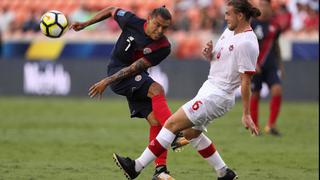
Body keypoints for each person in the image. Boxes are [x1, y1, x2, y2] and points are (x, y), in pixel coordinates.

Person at [113, 0, 260, 179]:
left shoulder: (247, 43)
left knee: (171, 124)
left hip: (218, 95)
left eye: (228, 13)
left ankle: (136, 166)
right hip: (210, 88)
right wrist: (210, 55)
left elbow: (246, 81)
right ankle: (224, 173)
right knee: (191, 134)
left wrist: (246, 114)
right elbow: (225, 61)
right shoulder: (230, 32)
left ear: (240, 15)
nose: (225, 17)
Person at [70, 6, 188, 180]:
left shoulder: (163, 46)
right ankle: (176, 134)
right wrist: (86, 23)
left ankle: (160, 170)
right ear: (149, 19)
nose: (160, 31)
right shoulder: (131, 21)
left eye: (165, 28)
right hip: (117, 72)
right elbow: (111, 10)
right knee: (157, 89)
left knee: (155, 120)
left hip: (133, 75)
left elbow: (135, 68)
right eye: (157, 25)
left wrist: (106, 81)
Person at [250, 0, 287, 136]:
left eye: (265, 5)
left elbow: (276, 45)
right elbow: (246, 46)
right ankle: (255, 127)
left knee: (277, 90)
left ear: (270, 7)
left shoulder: (275, 25)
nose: (262, 8)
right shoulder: (252, 24)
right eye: (260, 5)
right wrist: (252, 63)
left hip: (271, 65)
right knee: (256, 94)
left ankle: (271, 125)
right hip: (256, 66)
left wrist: (281, 66)